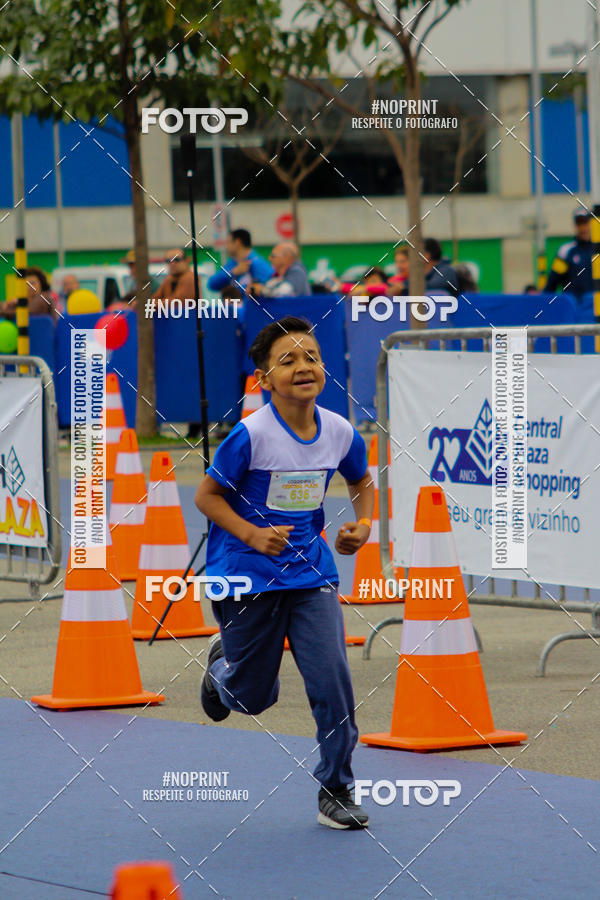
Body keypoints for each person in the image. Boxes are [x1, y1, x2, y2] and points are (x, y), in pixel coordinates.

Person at [195, 315, 374, 830]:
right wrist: (251, 534)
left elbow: (362, 480)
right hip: (247, 576)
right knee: (253, 698)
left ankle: (335, 789)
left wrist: (361, 525)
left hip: (311, 574)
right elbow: (207, 497)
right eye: (288, 360)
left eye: (311, 357)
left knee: (333, 681)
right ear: (264, 378)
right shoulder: (251, 435)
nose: (303, 367)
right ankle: (222, 668)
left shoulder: (338, 430)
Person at [543, 208, 594, 302]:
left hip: (595, 309)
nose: (583, 228)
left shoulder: (597, 249)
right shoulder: (565, 251)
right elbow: (553, 282)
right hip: (573, 308)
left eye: (585, 223)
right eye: (579, 224)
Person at [207, 229, 273, 294]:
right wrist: (233, 273)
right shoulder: (231, 263)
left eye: (228, 243)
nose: (226, 246)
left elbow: (270, 287)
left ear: (237, 242)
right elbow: (212, 285)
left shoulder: (257, 263)